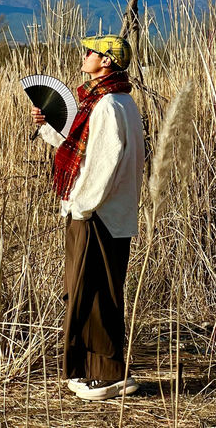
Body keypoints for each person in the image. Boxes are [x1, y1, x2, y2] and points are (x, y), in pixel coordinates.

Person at [31, 34, 145, 401]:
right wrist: (48, 122)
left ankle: (109, 374)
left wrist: (81, 205)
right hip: (103, 211)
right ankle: (92, 371)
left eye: (91, 52)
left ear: (107, 62)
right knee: (90, 289)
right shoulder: (108, 101)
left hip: (99, 213)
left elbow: (103, 164)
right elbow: (77, 144)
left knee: (96, 291)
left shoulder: (110, 104)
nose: (84, 56)